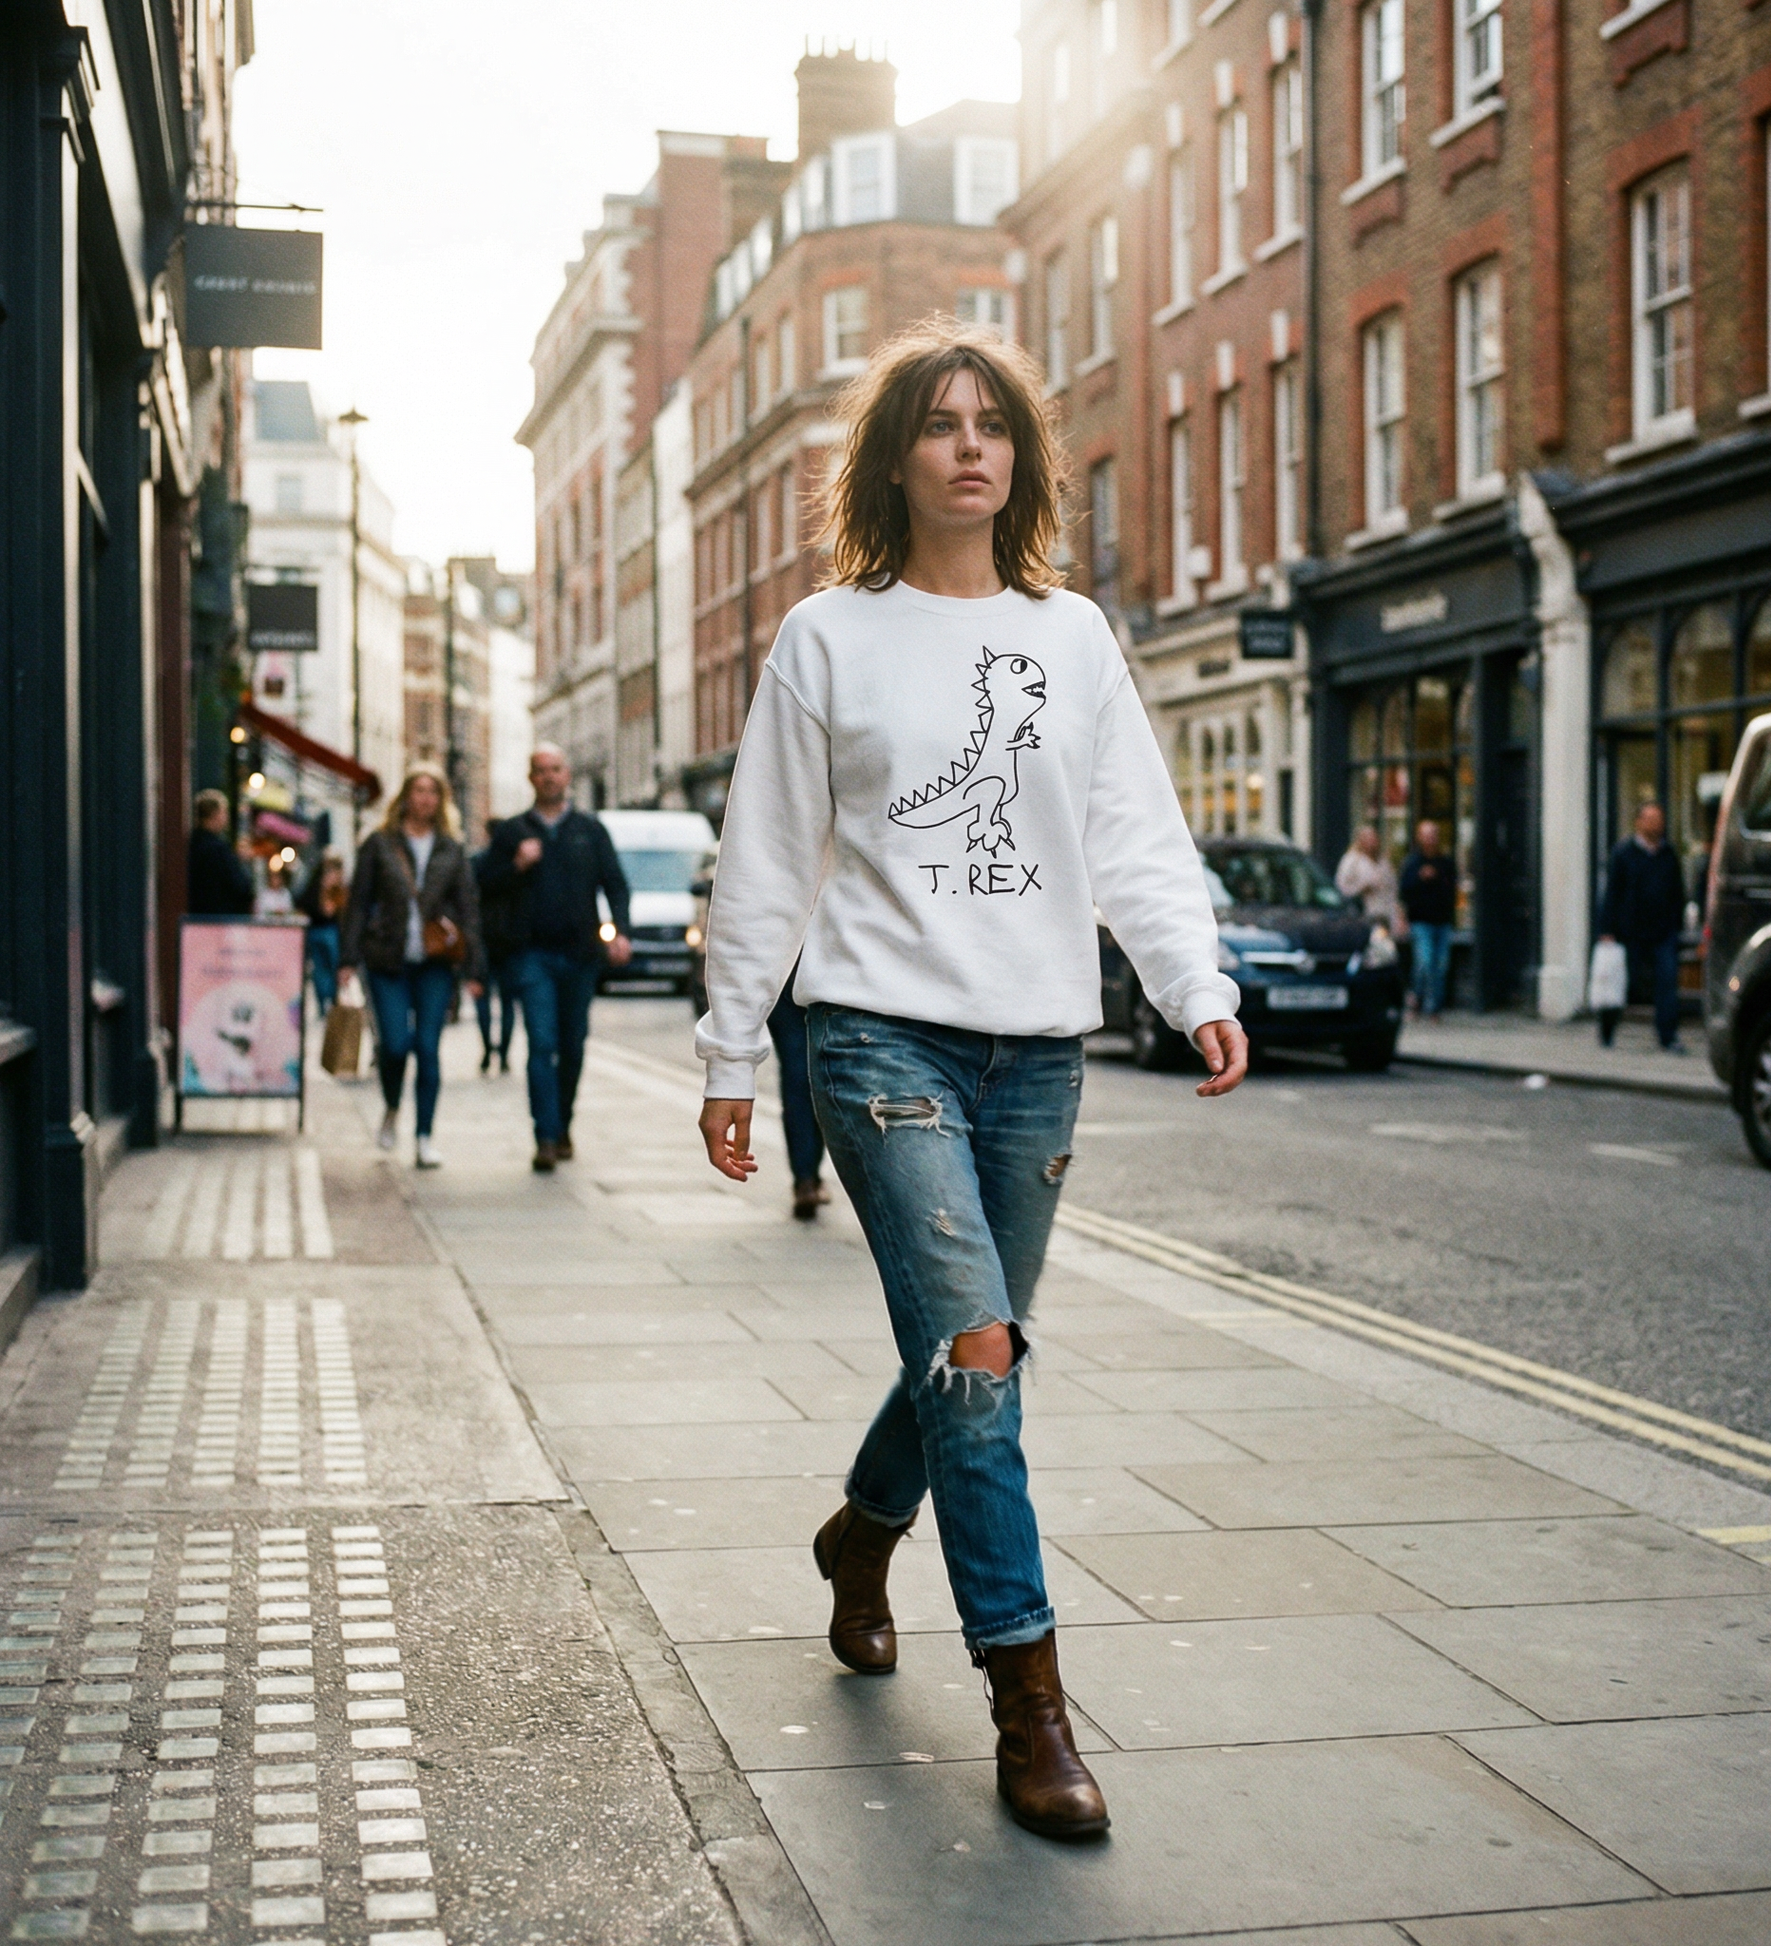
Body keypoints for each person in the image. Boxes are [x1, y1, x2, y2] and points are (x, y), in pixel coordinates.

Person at [694, 320, 1246, 1842]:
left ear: (1020, 456)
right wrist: (732, 1050)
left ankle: (861, 1537)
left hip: (1038, 1047)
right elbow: (765, 856)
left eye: (990, 421)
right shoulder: (827, 636)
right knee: (981, 1366)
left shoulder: (1069, 637)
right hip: (875, 1037)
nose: (968, 445)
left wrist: (1189, 981)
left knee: (976, 1345)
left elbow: (1133, 828)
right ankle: (1031, 1703)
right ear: (896, 459)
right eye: (936, 424)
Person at [476, 747, 632, 1171]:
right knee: (541, 1043)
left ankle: (563, 1123)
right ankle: (544, 1136)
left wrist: (620, 931)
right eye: (541, 771)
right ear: (531, 778)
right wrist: (516, 865)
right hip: (532, 955)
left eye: (556, 770)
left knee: (572, 1044)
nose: (549, 777)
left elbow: (615, 884)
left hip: (581, 954)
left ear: (568, 776)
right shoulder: (512, 832)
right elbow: (484, 886)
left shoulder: (590, 830)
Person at [340, 766, 483, 1167]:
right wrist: (347, 958)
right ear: (404, 796)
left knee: (428, 1048)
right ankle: (390, 1107)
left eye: (432, 792)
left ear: (441, 801)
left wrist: (475, 968)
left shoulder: (451, 849)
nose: (425, 799)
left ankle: (423, 1136)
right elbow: (357, 902)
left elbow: (469, 909)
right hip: (388, 959)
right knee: (395, 1045)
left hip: (435, 962)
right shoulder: (380, 844)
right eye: (418, 791)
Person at [1598, 799, 1687, 1052]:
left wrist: (1676, 924)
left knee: (1667, 984)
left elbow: (1677, 892)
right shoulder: (1623, 853)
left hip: (1663, 932)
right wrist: (1607, 930)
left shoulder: (1668, 854)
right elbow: (1612, 894)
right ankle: (1607, 1029)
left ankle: (1668, 1037)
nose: (1655, 824)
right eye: (1649, 819)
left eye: (1658, 819)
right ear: (1638, 822)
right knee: (1622, 982)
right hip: (1630, 932)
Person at [767, 971, 828, 1220]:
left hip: (784, 974)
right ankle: (809, 1175)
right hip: (822, 974)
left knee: (796, 1077)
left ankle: (805, 1178)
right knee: (821, 1075)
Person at [471, 820, 522, 1076]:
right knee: (506, 1003)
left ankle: (487, 1050)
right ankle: (502, 1053)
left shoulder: (479, 862)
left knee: (484, 1000)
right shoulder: (515, 865)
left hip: (484, 940)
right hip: (508, 941)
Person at [1399, 820, 1458, 1019]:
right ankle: (1418, 998)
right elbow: (1404, 891)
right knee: (1425, 961)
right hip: (1420, 921)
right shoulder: (1412, 863)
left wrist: (1437, 878)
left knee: (1440, 965)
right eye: (1426, 834)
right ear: (1419, 837)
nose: (1431, 838)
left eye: (1433, 834)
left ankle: (1433, 1007)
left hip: (1442, 921)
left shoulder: (1446, 863)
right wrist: (1420, 878)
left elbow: (1452, 890)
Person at [187, 788, 256, 916]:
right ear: (215, 814)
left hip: (196, 917)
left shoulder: (191, 844)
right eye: (224, 812)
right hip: (220, 920)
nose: (226, 817)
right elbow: (240, 887)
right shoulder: (219, 849)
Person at [296, 852, 347, 1019]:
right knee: (324, 968)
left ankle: (328, 1002)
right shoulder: (319, 885)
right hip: (323, 931)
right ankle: (327, 1001)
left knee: (326, 968)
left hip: (323, 930)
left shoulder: (332, 886)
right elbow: (326, 910)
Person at [1334, 824, 1401, 934]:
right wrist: (1360, 889)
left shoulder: (1384, 862)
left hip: (1386, 914)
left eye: (1374, 838)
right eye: (1368, 838)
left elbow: (1393, 888)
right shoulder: (1352, 860)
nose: (1372, 842)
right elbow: (1341, 886)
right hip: (1364, 914)